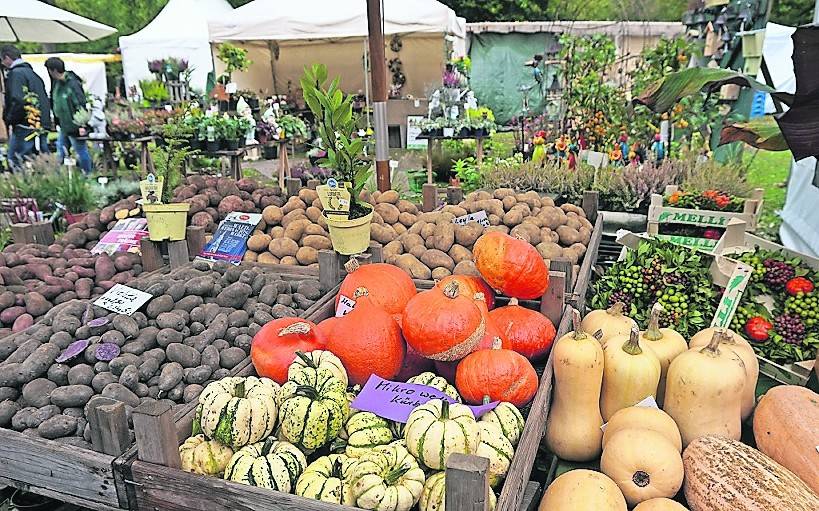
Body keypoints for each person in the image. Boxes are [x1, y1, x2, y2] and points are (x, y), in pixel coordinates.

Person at [2, 45, 51, 169]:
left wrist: (9, 119)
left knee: (15, 159)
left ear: (7, 58)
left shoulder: (16, 74)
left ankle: (20, 182)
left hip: (25, 124)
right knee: (40, 159)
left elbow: (18, 100)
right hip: (40, 122)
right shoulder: (33, 74)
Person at [45, 57, 92, 174]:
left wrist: (82, 124)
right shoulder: (56, 84)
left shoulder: (72, 83)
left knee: (80, 151)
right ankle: (59, 176)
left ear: (53, 70)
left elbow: (80, 103)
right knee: (61, 151)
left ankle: (87, 174)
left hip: (75, 125)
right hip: (64, 125)